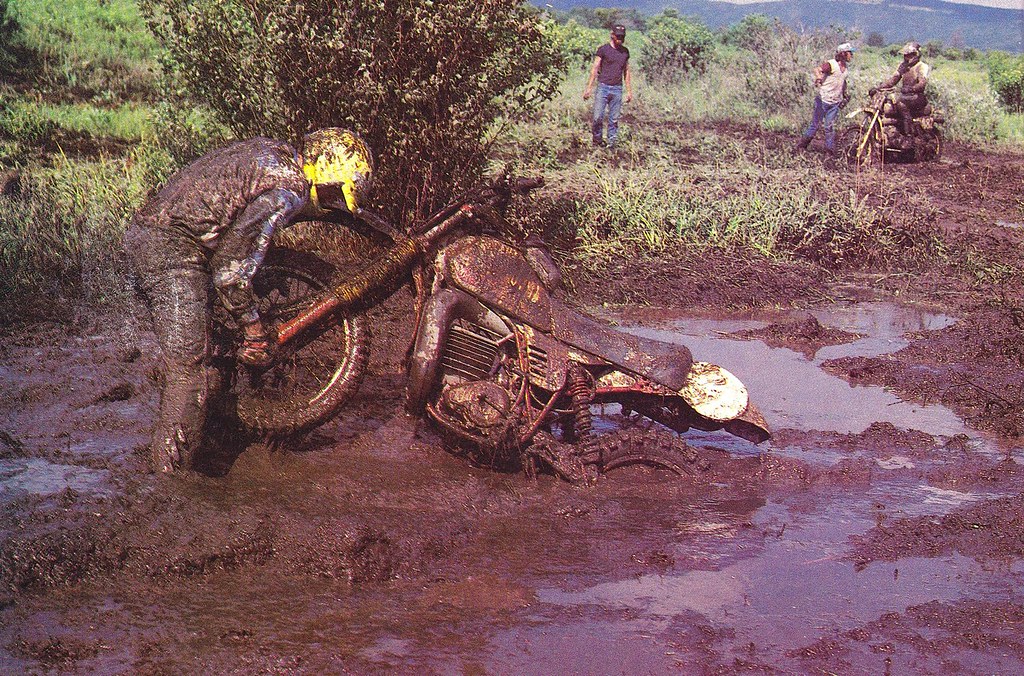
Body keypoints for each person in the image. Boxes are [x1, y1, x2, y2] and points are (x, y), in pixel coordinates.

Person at [124, 128, 374, 473]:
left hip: (161, 232)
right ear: (325, 174)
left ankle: (210, 442)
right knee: (189, 372)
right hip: (167, 247)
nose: (329, 206)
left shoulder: (280, 154)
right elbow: (229, 271)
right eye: (334, 195)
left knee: (205, 348)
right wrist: (254, 329)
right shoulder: (287, 189)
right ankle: (171, 483)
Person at [796, 42, 855, 155]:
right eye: (849, 53)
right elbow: (817, 69)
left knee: (829, 126)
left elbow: (842, 82)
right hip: (823, 99)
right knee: (815, 125)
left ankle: (829, 150)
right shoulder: (831, 64)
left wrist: (845, 94)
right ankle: (801, 147)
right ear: (843, 54)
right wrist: (819, 78)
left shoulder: (845, 69)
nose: (851, 55)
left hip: (835, 102)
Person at [583, 24, 633, 149]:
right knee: (597, 117)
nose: (620, 39)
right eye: (618, 36)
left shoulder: (625, 52)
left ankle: (612, 144)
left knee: (614, 119)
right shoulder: (603, 50)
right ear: (612, 35)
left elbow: (626, 71)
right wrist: (589, 88)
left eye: (622, 37)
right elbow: (594, 68)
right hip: (603, 87)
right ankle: (597, 140)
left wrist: (629, 91)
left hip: (617, 89)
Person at [870, 42, 931, 138]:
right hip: (906, 96)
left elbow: (922, 83)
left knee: (899, 102)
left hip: (918, 97)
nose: (906, 57)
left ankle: (909, 132)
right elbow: (892, 80)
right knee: (889, 102)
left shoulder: (922, 66)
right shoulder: (903, 66)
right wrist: (878, 88)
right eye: (905, 55)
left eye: (908, 55)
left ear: (916, 55)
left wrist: (912, 88)